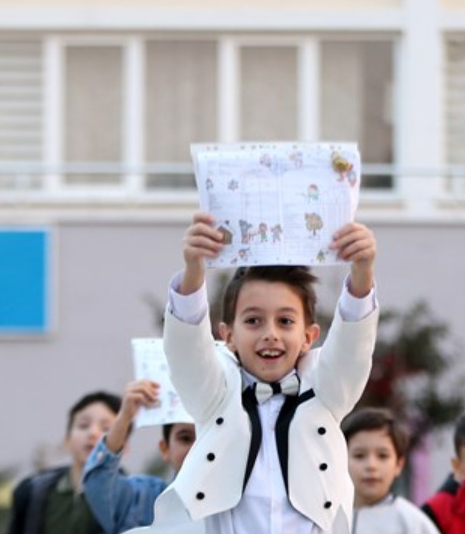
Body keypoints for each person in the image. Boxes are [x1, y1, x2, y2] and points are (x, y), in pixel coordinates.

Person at [138, 211, 379, 534]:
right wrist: (194, 271)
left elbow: (352, 350)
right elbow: (186, 353)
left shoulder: (326, 390)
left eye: (285, 321)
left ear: (309, 336)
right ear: (227, 335)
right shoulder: (216, 393)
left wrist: (362, 274)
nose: (270, 333)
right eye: (253, 320)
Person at [82, 377, 196, 532]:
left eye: (207, 436)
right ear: (165, 449)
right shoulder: (144, 499)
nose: (198, 448)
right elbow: (99, 480)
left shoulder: (238, 503)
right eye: (185, 438)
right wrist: (125, 416)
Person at [8, 391, 121, 534]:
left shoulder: (134, 499)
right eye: (83, 425)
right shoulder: (33, 492)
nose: (93, 433)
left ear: (125, 445)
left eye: (106, 429)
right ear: (66, 440)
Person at [341, 408, 440, 534]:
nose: (371, 465)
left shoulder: (413, 524)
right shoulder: (326, 517)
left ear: (399, 464)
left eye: (382, 456)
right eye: (359, 455)